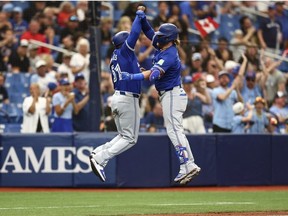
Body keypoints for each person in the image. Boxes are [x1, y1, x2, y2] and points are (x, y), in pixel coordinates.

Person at [121, 9, 201, 185]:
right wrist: (142, 19)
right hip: (171, 94)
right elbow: (151, 34)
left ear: (168, 38)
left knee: (174, 130)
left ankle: (188, 163)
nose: (158, 36)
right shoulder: (163, 45)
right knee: (174, 130)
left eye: (161, 35)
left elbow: (155, 75)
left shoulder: (170, 53)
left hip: (172, 93)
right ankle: (188, 163)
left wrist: (134, 76)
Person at [89, 10, 143, 183]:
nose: (132, 42)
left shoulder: (116, 56)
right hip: (127, 98)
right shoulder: (124, 51)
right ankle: (101, 158)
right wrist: (139, 15)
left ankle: (98, 151)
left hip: (117, 97)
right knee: (130, 138)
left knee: (122, 135)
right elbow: (135, 33)